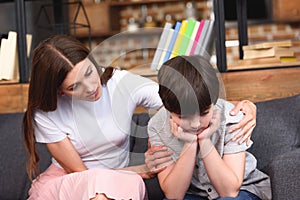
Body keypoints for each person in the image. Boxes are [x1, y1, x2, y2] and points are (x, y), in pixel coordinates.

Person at [22, 35, 258, 200]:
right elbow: (81, 174)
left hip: (118, 180)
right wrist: (141, 169)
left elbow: (182, 100)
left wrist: (243, 106)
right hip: (74, 182)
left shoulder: (120, 84)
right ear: (60, 91)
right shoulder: (46, 112)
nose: (92, 86)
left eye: (89, 72)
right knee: (99, 192)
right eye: (75, 87)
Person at [148, 55, 271, 200]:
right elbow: (174, 195)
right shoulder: (157, 126)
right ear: (168, 109)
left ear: (214, 102)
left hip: (244, 188)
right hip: (192, 194)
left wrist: (205, 140)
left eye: (204, 113)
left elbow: (229, 191)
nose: (195, 124)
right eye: (183, 117)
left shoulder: (232, 118)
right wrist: (190, 143)